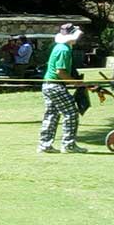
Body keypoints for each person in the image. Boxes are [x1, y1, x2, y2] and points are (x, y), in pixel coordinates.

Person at [37, 24, 87, 154]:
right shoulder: (64, 50)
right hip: (55, 85)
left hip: (48, 85)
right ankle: (68, 145)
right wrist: (76, 83)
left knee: (51, 115)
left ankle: (44, 145)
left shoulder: (59, 47)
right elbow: (61, 72)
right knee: (71, 113)